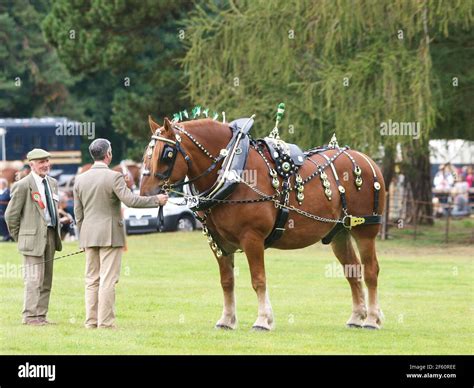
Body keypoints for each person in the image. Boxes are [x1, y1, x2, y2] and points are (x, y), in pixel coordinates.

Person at [74, 138, 168, 329]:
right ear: (108, 154)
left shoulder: (80, 178)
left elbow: (78, 214)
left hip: (88, 235)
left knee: (92, 280)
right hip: (109, 234)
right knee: (108, 280)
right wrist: (156, 199)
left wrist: (82, 237)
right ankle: (106, 323)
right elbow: (131, 200)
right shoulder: (114, 176)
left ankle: (91, 322)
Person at [5, 149, 62, 326]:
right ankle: (29, 317)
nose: (45, 165)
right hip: (31, 240)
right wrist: (21, 237)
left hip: (51, 236)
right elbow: (10, 216)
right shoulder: (22, 185)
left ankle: (41, 316)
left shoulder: (52, 183)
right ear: (31, 165)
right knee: (33, 279)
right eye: (41, 162)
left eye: (47, 161)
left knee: (46, 279)